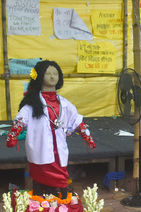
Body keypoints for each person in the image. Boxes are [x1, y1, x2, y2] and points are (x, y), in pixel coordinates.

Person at [6, 60, 96, 197]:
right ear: (40, 76)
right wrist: (12, 137)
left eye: (55, 73)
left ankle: (63, 202)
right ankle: (39, 203)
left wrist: (88, 138)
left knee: (61, 176)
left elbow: (77, 120)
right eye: (48, 73)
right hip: (39, 147)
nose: (52, 77)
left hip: (58, 149)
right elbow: (20, 121)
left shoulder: (64, 103)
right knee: (38, 177)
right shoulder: (32, 103)